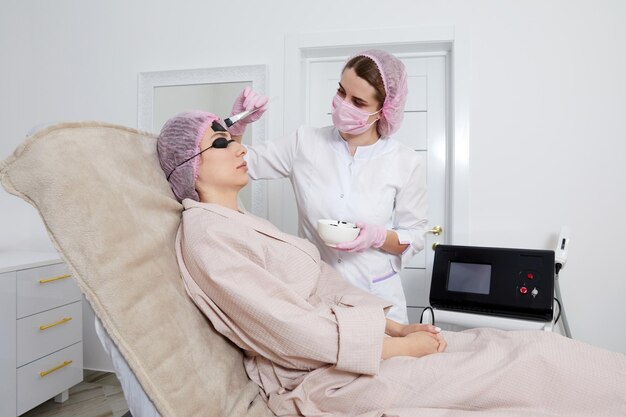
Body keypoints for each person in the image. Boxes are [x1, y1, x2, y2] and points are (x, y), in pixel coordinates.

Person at [157, 111, 626, 417]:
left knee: (512, 345)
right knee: (528, 364)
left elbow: (323, 281)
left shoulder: (243, 223)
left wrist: (396, 329)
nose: (241, 148)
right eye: (223, 143)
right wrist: (398, 350)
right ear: (190, 167)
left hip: (364, 330)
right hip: (326, 374)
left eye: (358, 97)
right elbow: (287, 329)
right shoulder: (208, 236)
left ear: (385, 108)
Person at [227, 50, 426, 323]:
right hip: (317, 298)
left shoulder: (405, 161)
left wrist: (379, 237)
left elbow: (415, 236)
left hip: (378, 298)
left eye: (358, 101)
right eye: (341, 92)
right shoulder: (304, 143)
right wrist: (237, 126)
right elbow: (236, 164)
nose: (344, 104)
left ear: (385, 109)